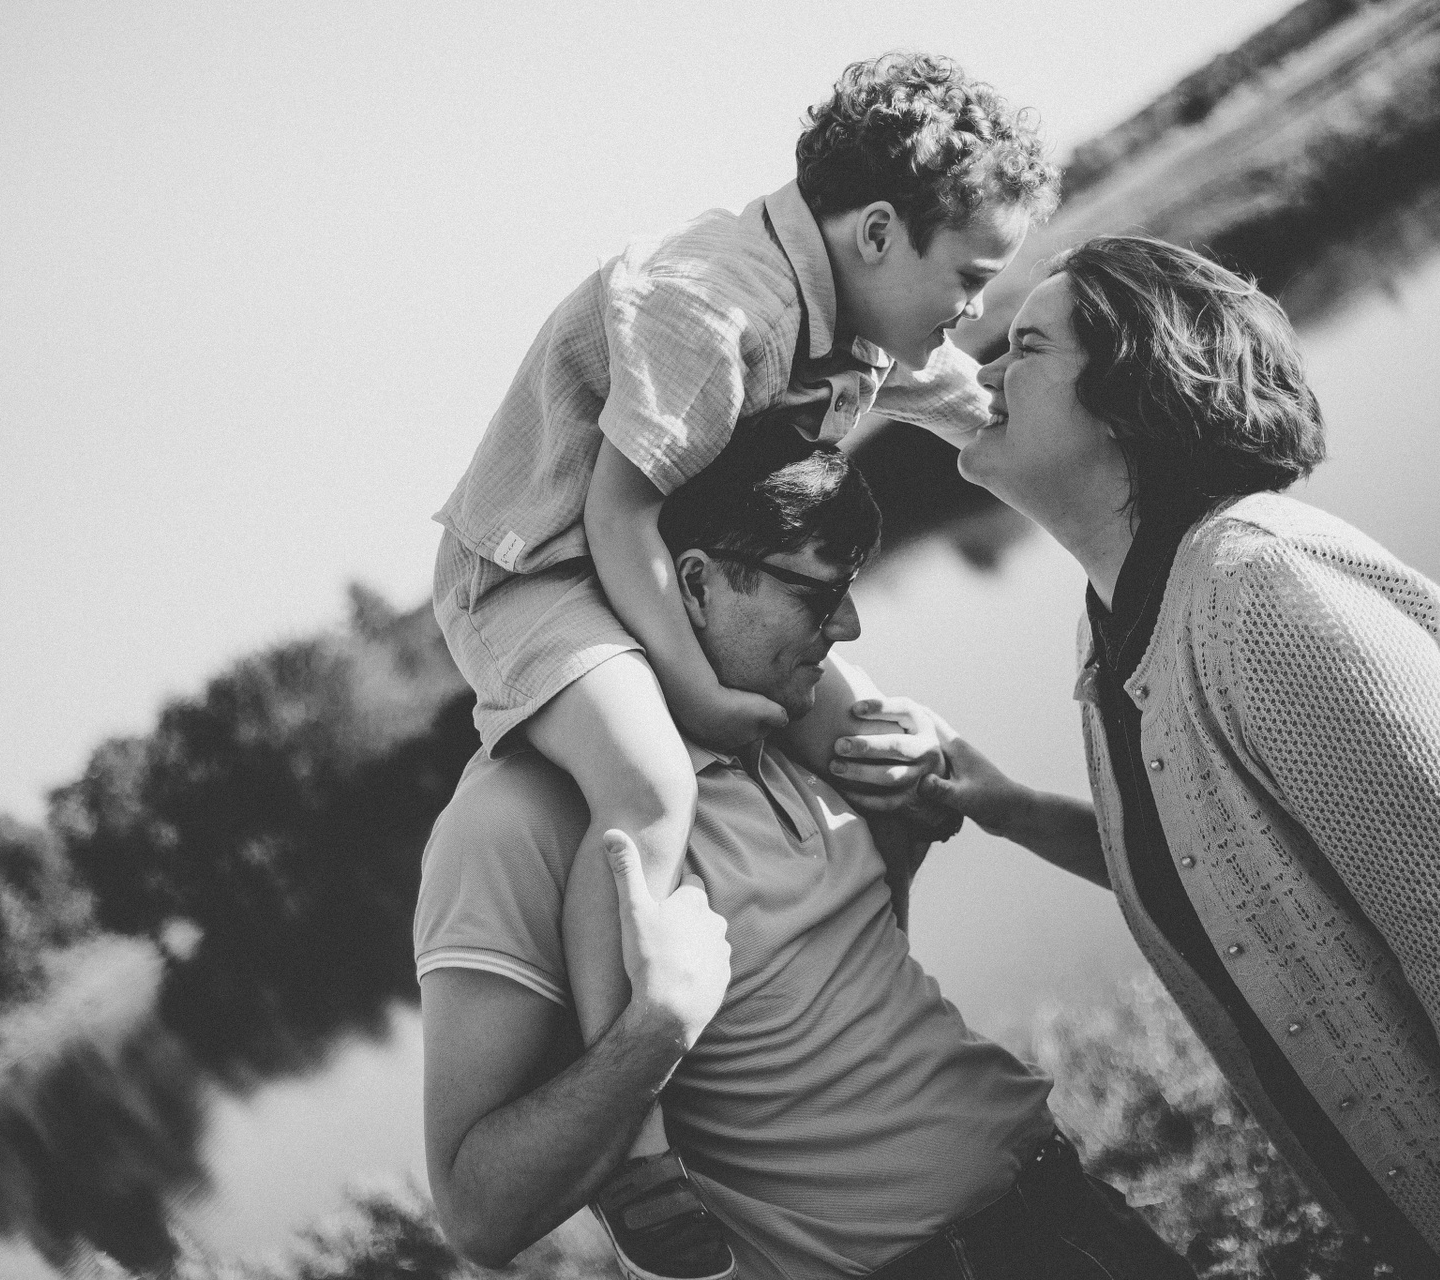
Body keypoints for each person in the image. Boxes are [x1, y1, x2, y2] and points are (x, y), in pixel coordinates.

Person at [915, 235, 1440, 1280]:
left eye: (1025, 348)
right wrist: (1009, 806)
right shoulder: (1120, 619)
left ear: (1129, 398)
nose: (982, 373)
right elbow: (1225, 868)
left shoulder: (1260, 591)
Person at [428, 53, 1057, 1279]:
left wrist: (1067, 428)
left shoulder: (851, 315)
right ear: (877, 232)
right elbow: (617, 514)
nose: (974, 306)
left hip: (656, 560)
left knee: (870, 743)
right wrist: (699, 689)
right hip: (535, 575)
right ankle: (638, 1142)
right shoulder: (719, 310)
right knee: (650, 782)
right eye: (970, 278)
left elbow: (957, 395)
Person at [416, 432, 1195, 1280]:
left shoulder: (795, 713)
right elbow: (479, 1215)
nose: (849, 624)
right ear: (696, 584)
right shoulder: (514, 820)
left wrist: (915, 827)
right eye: (818, 594)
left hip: (1063, 1207)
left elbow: (851, 985)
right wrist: (654, 1031)